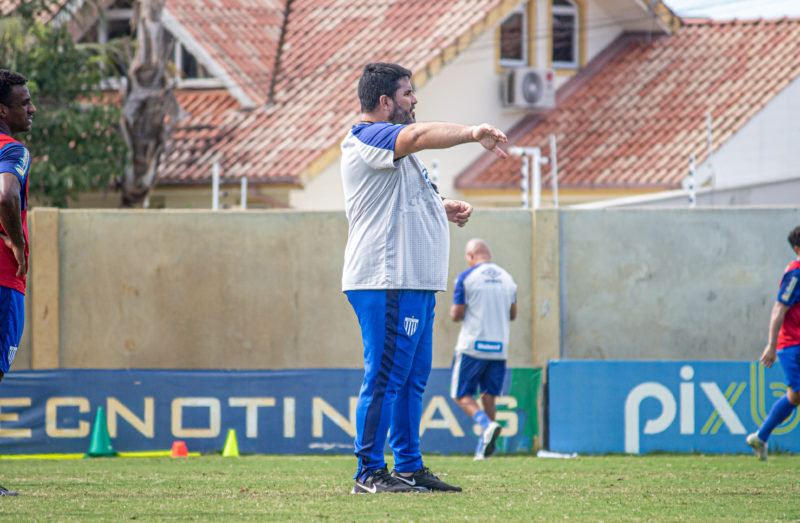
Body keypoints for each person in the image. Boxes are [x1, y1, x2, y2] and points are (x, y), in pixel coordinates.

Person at [341, 62, 507, 494]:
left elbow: (405, 199)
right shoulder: (369, 135)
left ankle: (409, 467)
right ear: (384, 102)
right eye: (408, 93)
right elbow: (416, 136)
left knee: (411, 380)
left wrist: (443, 206)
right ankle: (368, 473)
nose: (414, 101)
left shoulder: (395, 152)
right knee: (384, 378)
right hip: (386, 280)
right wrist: (473, 133)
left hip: (413, 282)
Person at [0, 70, 36, 496]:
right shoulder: (11, 150)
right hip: (4, 280)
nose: (32, 109)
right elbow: (7, 195)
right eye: (24, 102)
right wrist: (17, 242)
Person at [449, 238, 517, 460]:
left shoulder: (466, 278)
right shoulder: (508, 279)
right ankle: (484, 450)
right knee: (489, 396)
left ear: (470, 256)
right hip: (499, 347)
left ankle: (486, 424)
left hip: (473, 345)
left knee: (460, 394)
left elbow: (457, 314)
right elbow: (513, 314)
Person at [746, 226, 800, 461]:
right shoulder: (796, 273)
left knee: (795, 396)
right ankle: (761, 435)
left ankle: (761, 436)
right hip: (792, 344)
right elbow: (779, 308)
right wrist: (771, 344)